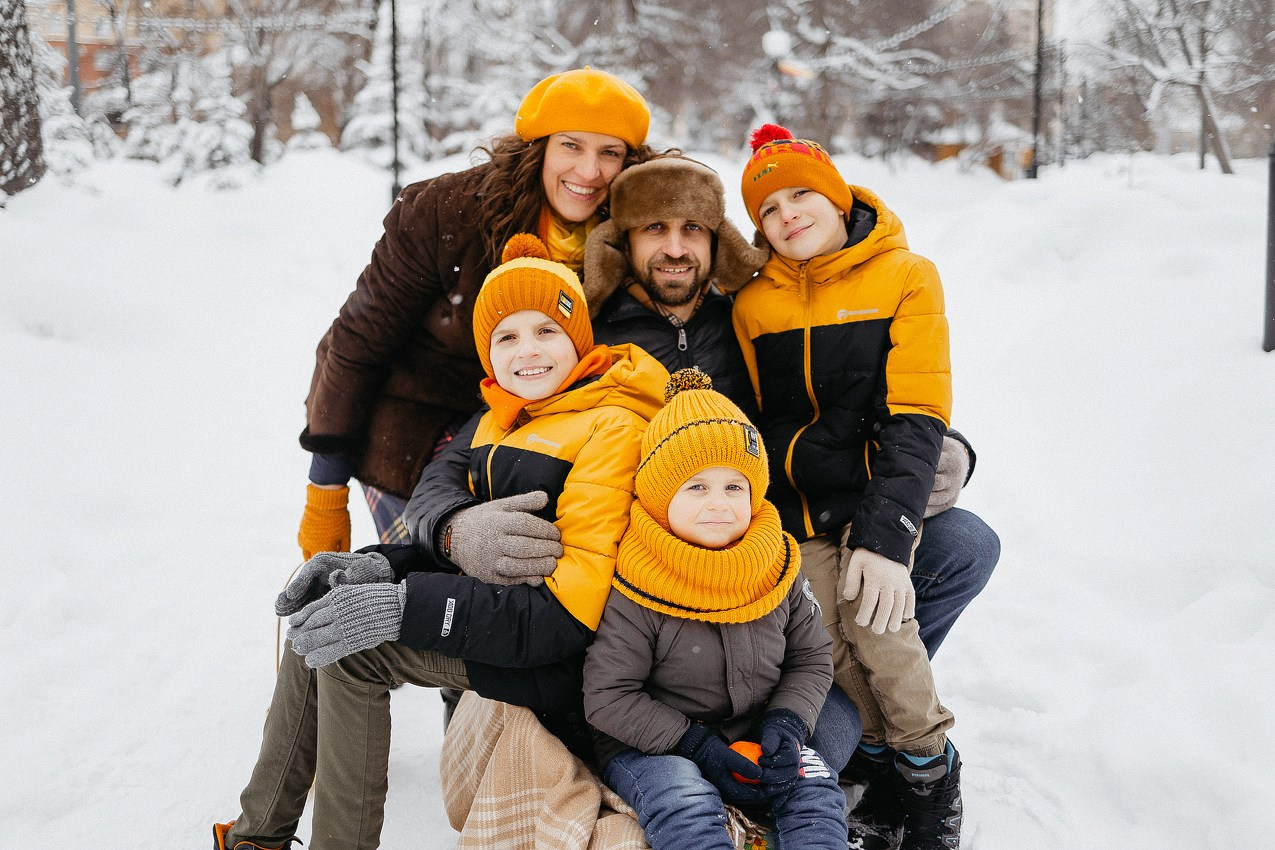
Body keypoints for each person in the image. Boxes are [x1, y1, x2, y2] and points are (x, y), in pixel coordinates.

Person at [213, 234, 668, 850]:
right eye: (506, 337)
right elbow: (438, 513)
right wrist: (374, 567)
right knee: (323, 615)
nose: (527, 351)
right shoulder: (499, 418)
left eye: (546, 331)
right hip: (500, 621)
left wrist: (403, 606)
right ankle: (256, 837)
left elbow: (568, 620)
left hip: (559, 659)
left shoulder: (610, 425)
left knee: (353, 650)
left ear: (579, 339)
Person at [294, 67, 655, 558]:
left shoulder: (633, 230)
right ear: (539, 147)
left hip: (549, 440)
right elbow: (357, 341)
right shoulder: (447, 213)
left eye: (608, 152)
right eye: (571, 146)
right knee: (439, 583)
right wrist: (325, 492)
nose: (589, 172)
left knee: (532, 590)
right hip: (418, 433)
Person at [733, 124, 971, 850]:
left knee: (880, 624)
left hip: (873, 501)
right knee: (829, 642)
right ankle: (878, 766)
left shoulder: (904, 275)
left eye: (801, 194)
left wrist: (886, 537)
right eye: (768, 209)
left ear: (838, 199)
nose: (787, 216)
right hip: (797, 512)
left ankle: (931, 772)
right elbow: (752, 424)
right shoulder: (751, 304)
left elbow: (917, 411)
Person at [583, 368, 847, 850]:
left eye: (734, 487)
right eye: (696, 487)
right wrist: (695, 745)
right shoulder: (639, 580)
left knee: (815, 788)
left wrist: (786, 723)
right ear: (663, 499)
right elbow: (608, 696)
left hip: (758, 728)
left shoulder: (778, 564)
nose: (719, 504)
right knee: (684, 800)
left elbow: (810, 657)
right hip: (656, 743)